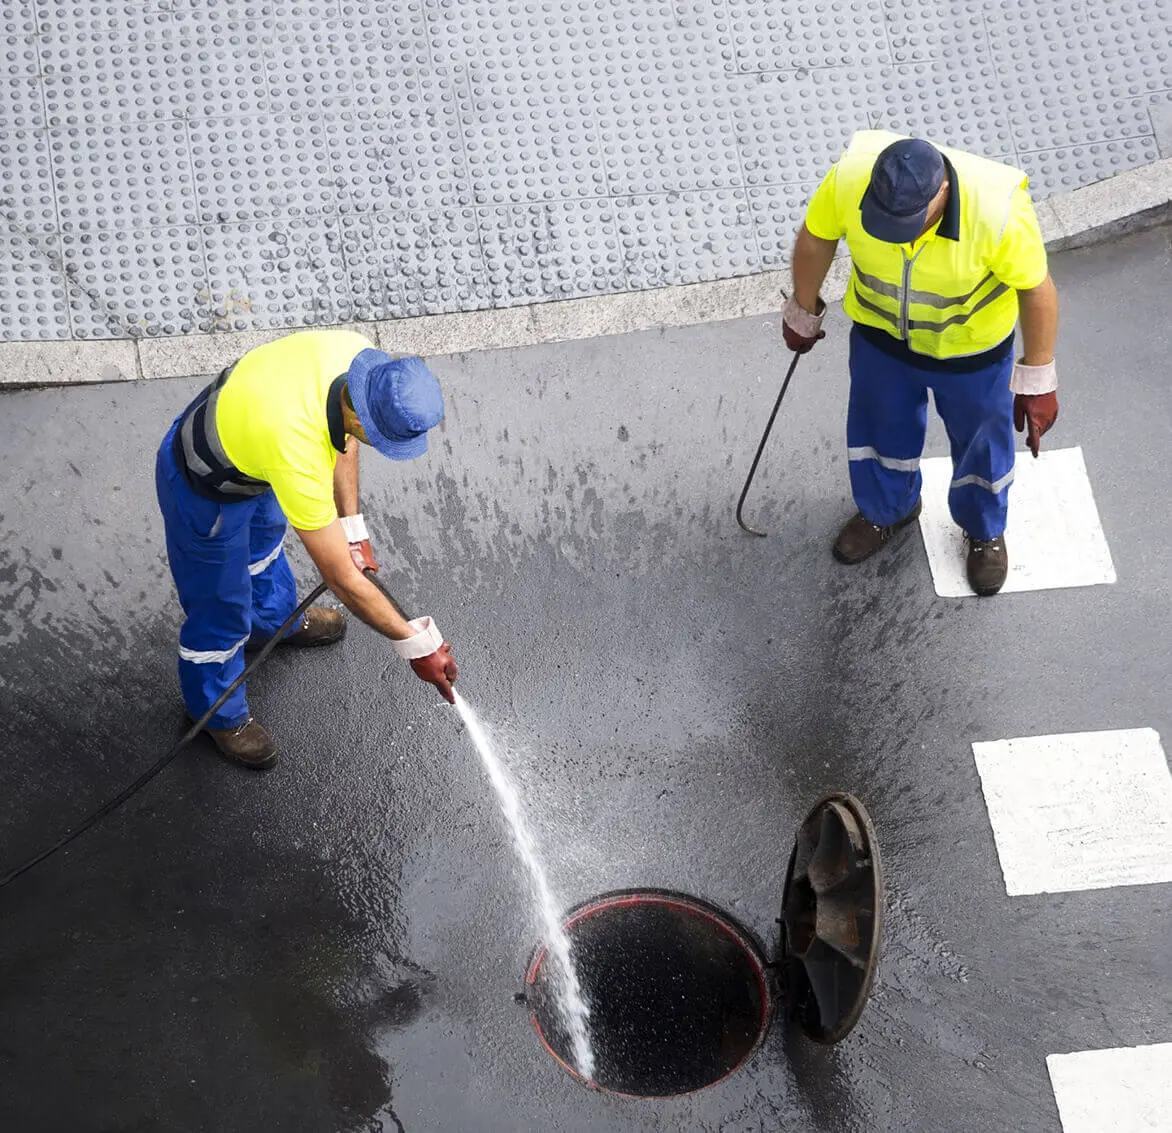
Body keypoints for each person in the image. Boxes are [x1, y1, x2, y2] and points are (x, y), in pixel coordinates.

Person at [155, 329, 459, 770]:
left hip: (254, 463)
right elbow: (342, 579)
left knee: (263, 550)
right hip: (204, 487)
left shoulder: (360, 362)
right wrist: (417, 646)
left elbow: (343, 441)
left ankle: (275, 621)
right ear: (359, 414)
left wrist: (353, 530)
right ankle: (217, 713)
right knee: (220, 609)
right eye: (383, 438)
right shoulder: (295, 448)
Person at [782, 130, 1060, 595]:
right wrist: (802, 309)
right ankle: (887, 510)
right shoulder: (850, 178)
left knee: (981, 447)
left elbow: (1037, 290)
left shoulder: (996, 212)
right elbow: (816, 238)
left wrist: (1037, 378)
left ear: (943, 194)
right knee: (877, 432)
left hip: (971, 354)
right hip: (881, 338)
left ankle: (984, 528)